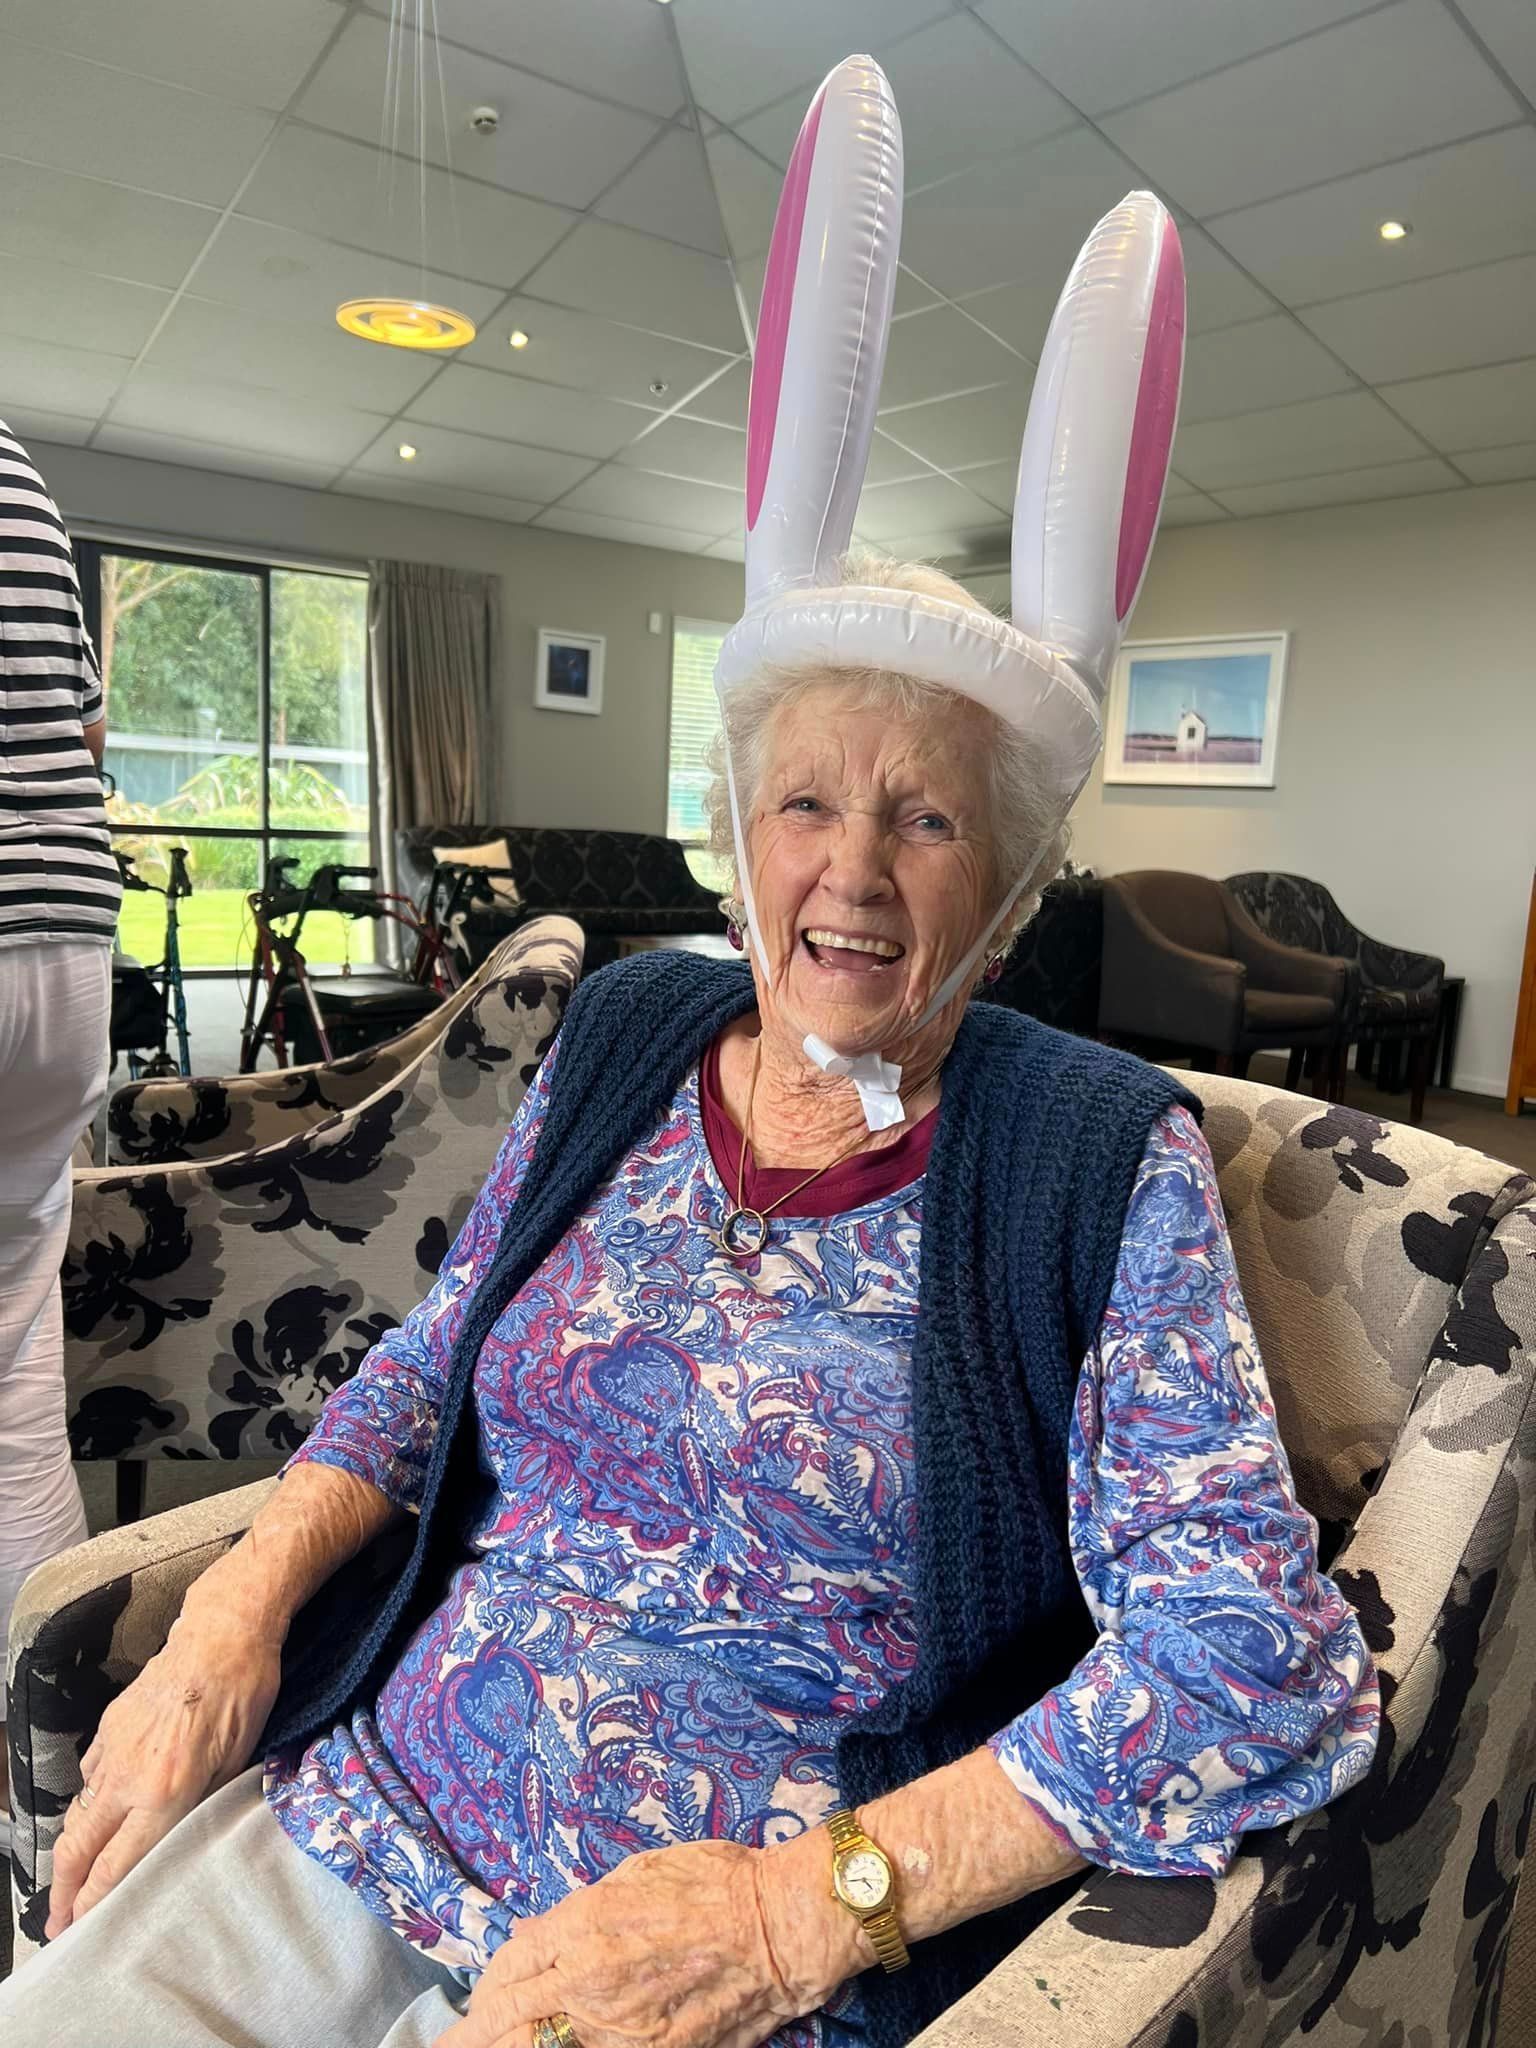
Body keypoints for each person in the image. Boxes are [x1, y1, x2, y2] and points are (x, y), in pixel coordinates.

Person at [0, 60, 1378, 2048]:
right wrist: (233, 1611)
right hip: (360, 1807)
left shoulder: (1087, 1152)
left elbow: (1251, 1651)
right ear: (737, 833)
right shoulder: (642, 1023)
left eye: (926, 818)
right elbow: (431, 1356)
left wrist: (811, 1907)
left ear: (1003, 879)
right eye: (807, 805)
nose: (855, 872)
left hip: (688, 1965)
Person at [0, 417, 122, 1835]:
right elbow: (80, 733)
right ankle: (54, 1793)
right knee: (18, 1377)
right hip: (62, 951)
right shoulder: (17, 468)